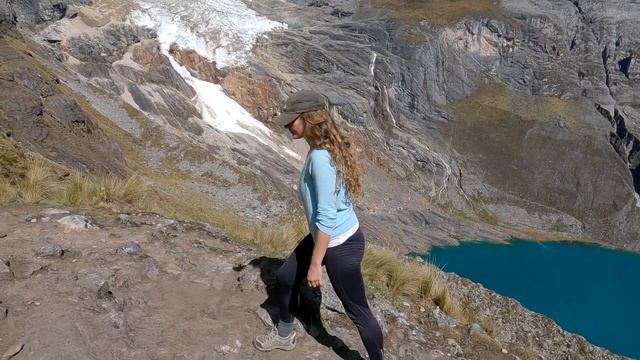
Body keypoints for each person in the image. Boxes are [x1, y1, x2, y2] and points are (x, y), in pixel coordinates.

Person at [253, 90, 384, 360]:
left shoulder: (321, 159)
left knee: (358, 311)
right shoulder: (323, 149)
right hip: (330, 236)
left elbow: (326, 214)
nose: (288, 125)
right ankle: (285, 334)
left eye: (293, 119)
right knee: (285, 277)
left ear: (309, 119)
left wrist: (315, 264)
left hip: (337, 243)